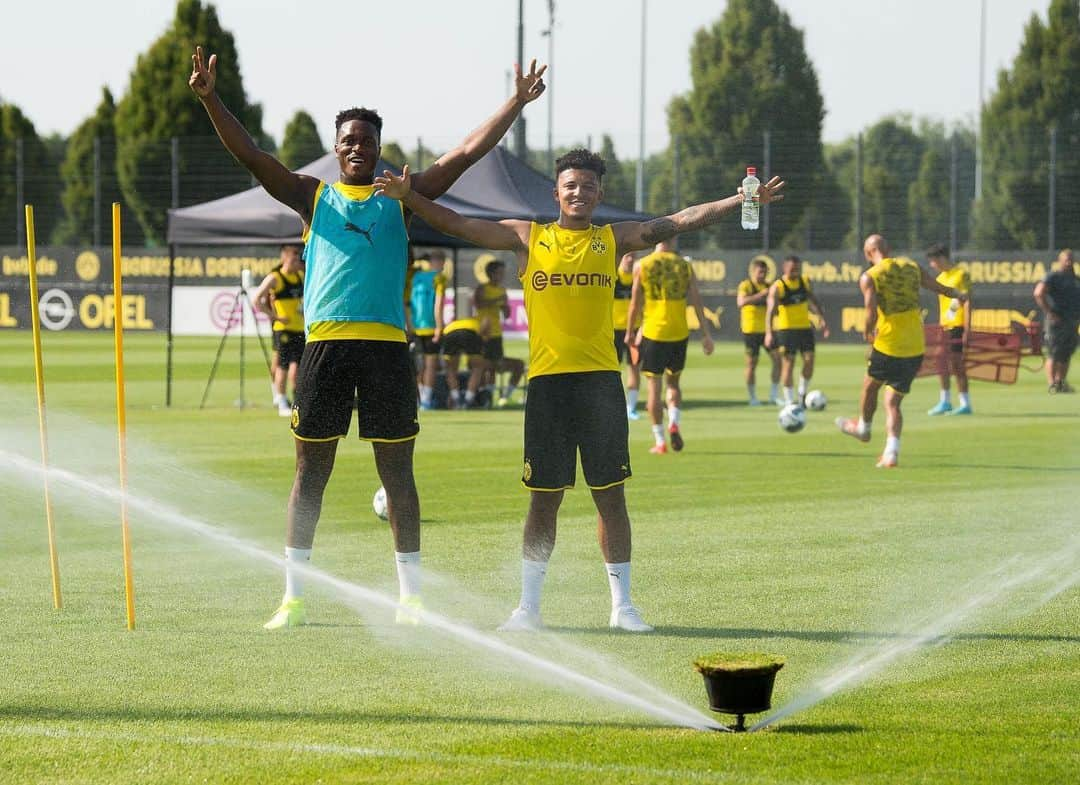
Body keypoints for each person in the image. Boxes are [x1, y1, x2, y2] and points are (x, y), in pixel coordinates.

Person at [189, 46, 547, 629]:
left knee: (398, 473)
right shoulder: (312, 196)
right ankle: (294, 596)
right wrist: (210, 99)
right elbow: (252, 156)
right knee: (311, 471)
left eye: (366, 139)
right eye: (348, 138)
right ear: (337, 148)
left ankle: (411, 598)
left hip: (385, 350)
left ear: (379, 147)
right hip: (324, 349)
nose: (357, 146)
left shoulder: (401, 199)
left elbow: (465, 153)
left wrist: (515, 102)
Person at [374, 148, 785, 632]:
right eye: (570, 185)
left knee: (611, 497)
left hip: (600, 386)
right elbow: (458, 224)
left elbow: (678, 221)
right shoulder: (527, 237)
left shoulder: (613, 240)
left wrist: (738, 200)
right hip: (547, 387)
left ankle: (623, 607)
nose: (579, 193)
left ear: (599, 195)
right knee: (543, 499)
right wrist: (410, 199)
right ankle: (527, 609)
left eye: (588, 186)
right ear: (556, 192)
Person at [836, 235, 966, 468]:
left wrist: (868, 336)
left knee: (870, 386)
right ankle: (891, 452)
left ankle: (864, 428)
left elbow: (870, 311)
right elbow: (939, 288)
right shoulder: (911, 266)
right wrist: (957, 294)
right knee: (893, 402)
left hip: (889, 342)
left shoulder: (870, 276)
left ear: (869, 253)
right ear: (889, 248)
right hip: (915, 344)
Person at [626, 240, 715, 454]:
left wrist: (630, 332)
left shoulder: (643, 265)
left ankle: (660, 440)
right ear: (674, 240)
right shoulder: (684, 265)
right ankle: (673, 421)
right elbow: (696, 300)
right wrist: (706, 334)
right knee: (673, 383)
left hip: (654, 332)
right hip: (679, 332)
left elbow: (635, 303)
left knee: (654, 388)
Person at [765, 255, 829, 407]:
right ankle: (788, 400)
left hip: (804, 328)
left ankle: (802, 394)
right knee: (789, 363)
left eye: (798, 269)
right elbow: (770, 311)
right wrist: (769, 332)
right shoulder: (778, 287)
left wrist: (822, 319)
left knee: (809, 360)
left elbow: (813, 301)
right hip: (786, 330)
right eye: (793, 269)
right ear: (785, 268)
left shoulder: (805, 282)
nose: (795, 272)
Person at [252, 244, 306, 416]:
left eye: (298, 258)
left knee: (297, 367)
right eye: (293, 258)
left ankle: (296, 399)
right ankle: (281, 400)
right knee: (282, 365)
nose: (296, 261)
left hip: (299, 329)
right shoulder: (275, 278)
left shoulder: (300, 276)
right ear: (284, 258)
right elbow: (256, 300)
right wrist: (275, 317)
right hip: (283, 329)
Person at [925, 243, 974, 415]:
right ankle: (945, 401)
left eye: (933, 261)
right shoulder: (940, 279)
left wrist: (968, 329)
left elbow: (966, 301)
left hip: (957, 326)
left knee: (957, 365)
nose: (932, 265)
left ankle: (965, 403)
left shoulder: (961, 274)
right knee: (941, 363)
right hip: (944, 326)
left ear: (941, 258)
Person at [473, 259, 525, 407]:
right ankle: (484, 398)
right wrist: (497, 301)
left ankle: (503, 397)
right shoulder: (482, 289)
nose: (501, 276)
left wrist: (505, 306)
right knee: (487, 367)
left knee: (496, 366)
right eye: (499, 273)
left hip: (496, 335)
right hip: (483, 334)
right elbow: (479, 303)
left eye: (503, 273)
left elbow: (507, 314)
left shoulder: (502, 291)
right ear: (490, 274)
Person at [1034, 249, 1080, 393]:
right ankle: (1052, 383)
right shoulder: (1053, 276)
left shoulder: (1075, 279)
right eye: (1066, 259)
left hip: (1072, 320)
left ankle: (1061, 383)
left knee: (1066, 353)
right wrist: (1050, 313)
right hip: (1057, 321)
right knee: (1054, 352)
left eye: (1071, 259)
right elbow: (1038, 293)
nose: (1069, 262)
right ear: (1060, 261)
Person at [736, 259, 780, 406]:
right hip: (751, 330)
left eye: (765, 272)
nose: (762, 275)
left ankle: (773, 395)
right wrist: (761, 295)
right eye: (760, 272)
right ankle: (752, 397)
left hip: (767, 331)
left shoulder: (769, 287)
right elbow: (741, 302)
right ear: (753, 271)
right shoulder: (746, 285)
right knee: (751, 364)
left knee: (778, 360)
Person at [408, 251, 448, 410]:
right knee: (431, 364)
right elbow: (438, 305)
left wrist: (410, 326)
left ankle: (418, 400)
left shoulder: (416, 277)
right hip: (431, 327)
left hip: (416, 327)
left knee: (420, 365)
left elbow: (410, 303)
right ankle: (426, 400)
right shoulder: (439, 278)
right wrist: (439, 326)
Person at [613, 252, 643, 419]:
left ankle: (631, 408)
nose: (630, 259)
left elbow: (644, 303)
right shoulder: (613, 276)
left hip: (634, 331)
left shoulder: (638, 277)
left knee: (634, 368)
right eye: (627, 256)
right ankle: (611, 406)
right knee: (611, 370)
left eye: (633, 256)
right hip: (613, 330)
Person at [440, 315, 488, 409]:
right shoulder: (477, 320)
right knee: (477, 368)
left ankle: (456, 398)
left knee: (451, 369)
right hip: (470, 333)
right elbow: (485, 336)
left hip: (450, 333)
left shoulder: (453, 322)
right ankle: (468, 400)